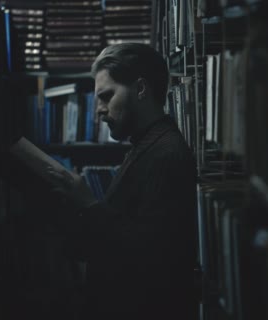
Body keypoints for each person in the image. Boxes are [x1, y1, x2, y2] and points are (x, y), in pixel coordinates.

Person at [47, 43, 198, 320]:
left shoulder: (167, 154)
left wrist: (89, 204)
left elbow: (152, 256)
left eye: (106, 96)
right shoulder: (145, 146)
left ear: (141, 89)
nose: (99, 112)